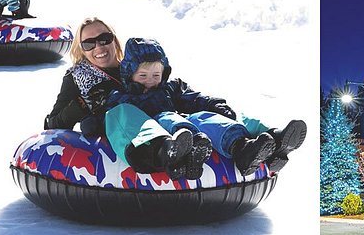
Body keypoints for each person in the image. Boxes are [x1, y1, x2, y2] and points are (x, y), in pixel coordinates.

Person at [45, 17, 304, 178]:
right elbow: (54, 123)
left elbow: (184, 94)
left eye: (104, 38)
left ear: (114, 40)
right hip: (129, 131)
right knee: (135, 115)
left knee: (208, 115)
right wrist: (81, 108)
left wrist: (213, 105)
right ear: (82, 49)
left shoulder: (140, 63)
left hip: (171, 122)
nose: (99, 47)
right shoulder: (79, 79)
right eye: (89, 43)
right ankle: (165, 151)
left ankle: (266, 141)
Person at [104, 38, 306, 177]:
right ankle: (174, 152)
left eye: (156, 76)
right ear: (129, 75)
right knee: (168, 118)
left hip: (185, 126)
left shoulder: (172, 88)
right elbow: (115, 121)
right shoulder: (122, 97)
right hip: (160, 132)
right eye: (143, 76)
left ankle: (251, 146)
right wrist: (92, 123)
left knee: (205, 117)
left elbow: (195, 99)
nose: (150, 81)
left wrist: (214, 105)